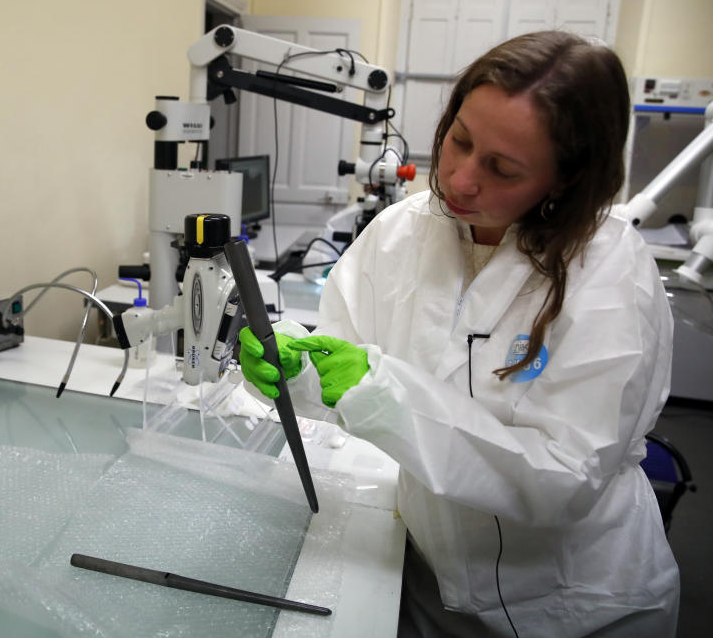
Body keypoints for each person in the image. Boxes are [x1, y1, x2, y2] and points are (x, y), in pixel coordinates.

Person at [238, 31, 679, 637]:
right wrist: (297, 371)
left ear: (566, 179)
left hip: (572, 601)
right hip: (428, 576)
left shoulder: (609, 272)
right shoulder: (402, 232)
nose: (461, 180)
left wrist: (377, 391)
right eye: (459, 141)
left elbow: (562, 479)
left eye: (502, 168)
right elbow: (344, 367)